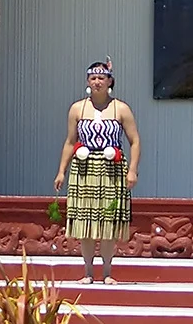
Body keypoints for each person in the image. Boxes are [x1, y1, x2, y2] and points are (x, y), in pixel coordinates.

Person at [53, 59, 142, 283]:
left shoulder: (121, 108)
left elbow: (135, 140)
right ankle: (88, 271)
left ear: (110, 80)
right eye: (93, 78)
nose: (97, 82)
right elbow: (69, 142)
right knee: (85, 222)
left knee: (109, 221)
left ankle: (108, 271)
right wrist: (61, 171)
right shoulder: (77, 108)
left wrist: (132, 170)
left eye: (101, 78)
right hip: (84, 169)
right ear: (87, 81)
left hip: (112, 170)